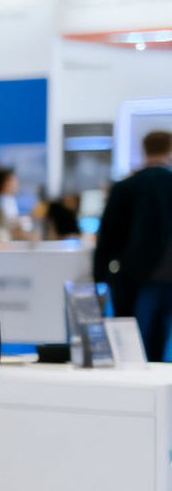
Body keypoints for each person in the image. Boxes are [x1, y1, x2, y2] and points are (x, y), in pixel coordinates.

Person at [94, 130, 172, 361]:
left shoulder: (125, 187)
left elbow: (106, 239)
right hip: (166, 277)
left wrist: (100, 279)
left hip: (133, 277)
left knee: (132, 345)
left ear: (145, 149)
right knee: (161, 347)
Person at [0, 165, 31, 242]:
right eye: (13, 180)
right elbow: (9, 227)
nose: (17, 184)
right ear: (4, 183)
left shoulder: (8, 200)